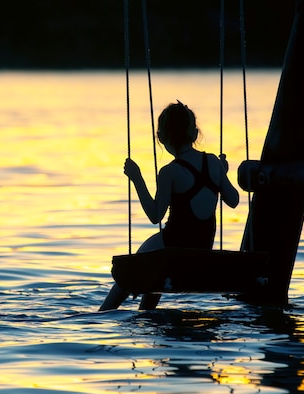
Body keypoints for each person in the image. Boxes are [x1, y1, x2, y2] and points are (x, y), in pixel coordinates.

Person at [99, 100, 239, 311]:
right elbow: (234, 200)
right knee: (155, 265)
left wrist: (137, 178)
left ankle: (105, 312)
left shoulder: (169, 172)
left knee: (133, 269)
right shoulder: (213, 163)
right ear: (194, 134)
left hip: (174, 246)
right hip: (202, 248)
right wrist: (222, 174)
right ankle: (146, 310)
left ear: (163, 137)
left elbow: (155, 215)